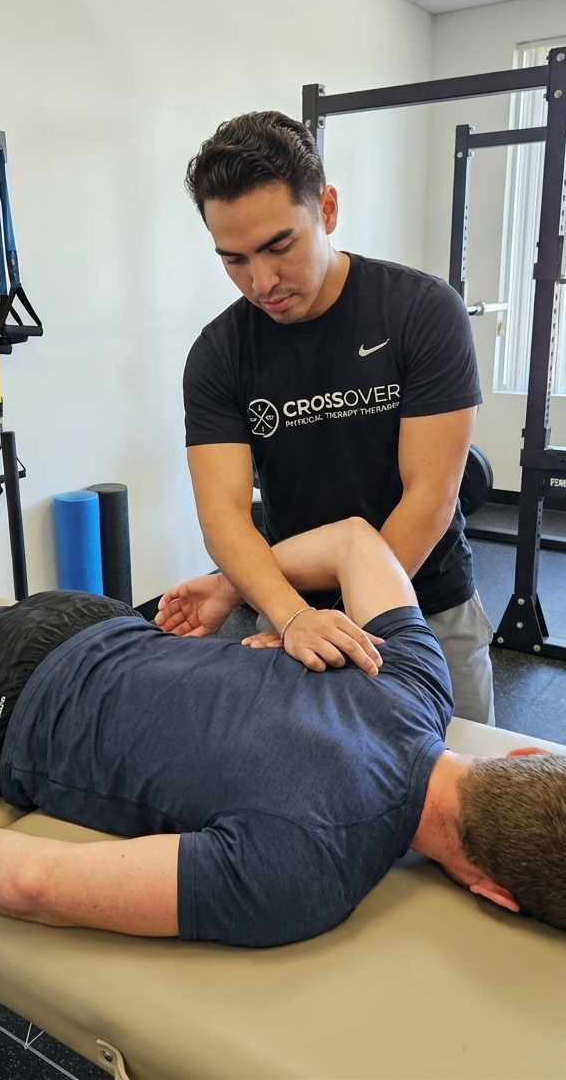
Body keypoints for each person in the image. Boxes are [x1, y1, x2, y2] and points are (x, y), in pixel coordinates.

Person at [0, 520, 566, 947]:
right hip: (0, 718)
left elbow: (353, 542)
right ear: (496, 892)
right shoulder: (307, 876)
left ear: (528, 756)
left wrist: (238, 587)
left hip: (89, 623)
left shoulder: (415, 682)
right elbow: (30, 881)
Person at [158, 110, 495, 724]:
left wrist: (343, 617)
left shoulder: (421, 312)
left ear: (328, 209)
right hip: (293, 613)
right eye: (233, 259)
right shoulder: (219, 354)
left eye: (278, 246)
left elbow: (431, 495)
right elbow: (224, 516)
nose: (260, 282)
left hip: (425, 603)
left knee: (468, 804)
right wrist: (292, 617)